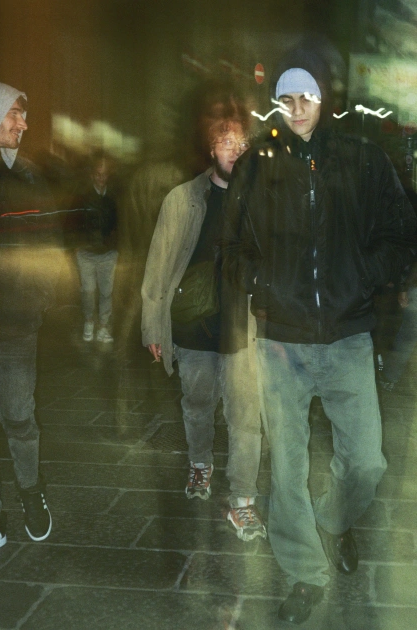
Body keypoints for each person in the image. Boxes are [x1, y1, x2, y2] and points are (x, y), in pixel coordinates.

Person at [220, 50, 417, 623]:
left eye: (307, 94)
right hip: (280, 342)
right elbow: (230, 246)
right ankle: (305, 571)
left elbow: (401, 232)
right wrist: (261, 282)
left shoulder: (363, 159)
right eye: (287, 96)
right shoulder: (256, 166)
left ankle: (333, 521)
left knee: (367, 461)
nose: (298, 106)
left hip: (347, 336)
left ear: (323, 97)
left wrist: (362, 277)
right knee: (287, 468)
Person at [141, 116, 267, 542]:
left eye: (242, 143)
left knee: (245, 415)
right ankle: (200, 464)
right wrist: (152, 326)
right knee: (197, 404)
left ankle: (243, 499)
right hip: (193, 324)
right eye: (226, 142)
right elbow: (158, 263)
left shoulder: (260, 199)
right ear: (212, 149)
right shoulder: (183, 198)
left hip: (243, 327)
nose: (235, 150)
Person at [0, 82, 59, 547]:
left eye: (24, 114)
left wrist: (37, 298)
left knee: (20, 416)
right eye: (15, 113)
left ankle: (30, 492)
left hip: (17, 326)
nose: (24, 123)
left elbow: (49, 242)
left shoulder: (31, 176)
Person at [75, 153, 118, 343]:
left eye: (104, 174)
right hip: (86, 253)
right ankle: (89, 321)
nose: (101, 178)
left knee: (106, 292)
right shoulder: (82, 196)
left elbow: (120, 222)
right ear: (92, 175)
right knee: (88, 291)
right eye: (98, 174)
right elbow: (72, 221)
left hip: (108, 253)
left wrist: (117, 245)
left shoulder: (114, 197)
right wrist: (77, 245)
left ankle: (103, 327)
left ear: (108, 175)